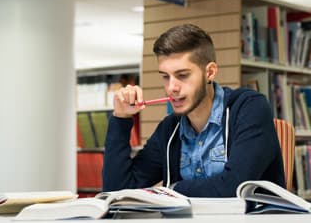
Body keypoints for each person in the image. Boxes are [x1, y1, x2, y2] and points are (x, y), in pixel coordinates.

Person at [102, 24, 285, 197]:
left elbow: (236, 186)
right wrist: (121, 118)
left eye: (182, 75)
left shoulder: (249, 108)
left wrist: (172, 190)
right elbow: (117, 192)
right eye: (165, 77)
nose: (171, 87)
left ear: (210, 72)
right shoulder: (170, 128)